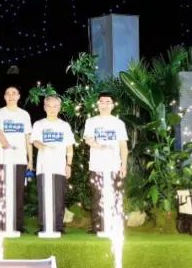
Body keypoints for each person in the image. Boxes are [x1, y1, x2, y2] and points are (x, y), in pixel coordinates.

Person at [83, 92, 129, 234]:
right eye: (101, 102)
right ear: (97, 104)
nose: (104, 104)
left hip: (114, 165)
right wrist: (99, 145)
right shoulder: (91, 121)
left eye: (107, 102)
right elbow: (88, 139)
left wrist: (124, 165)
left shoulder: (119, 123)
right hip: (96, 165)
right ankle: (97, 227)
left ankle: (114, 225)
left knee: (114, 196)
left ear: (113, 105)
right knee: (97, 196)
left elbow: (123, 146)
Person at [0, 85, 32, 233]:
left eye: (14, 93)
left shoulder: (24, 115)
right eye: (8, 93)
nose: (11, 96)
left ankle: (17, 225)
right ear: (4, 97)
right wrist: (7, 147)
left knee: (18, 193)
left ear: (19, 96)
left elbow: (28, 137)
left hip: (20, 160)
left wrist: (30, 160)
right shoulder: (0, 113)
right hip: (3, 160)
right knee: (2, 193)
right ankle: (1, 224)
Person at [31, 95, 74, 233]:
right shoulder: (38, 124)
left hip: (59, 167)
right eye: (49, 106)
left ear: (59, 108)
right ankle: (43, 226)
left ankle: (58, 226)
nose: (52, 109)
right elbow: (35, 141)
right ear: (44, 107)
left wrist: (69, 165)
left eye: (55, 106)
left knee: (59, 198)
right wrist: (44, 147)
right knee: (43, 196)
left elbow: (69, 148)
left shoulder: (64, 126)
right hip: (43, 166)